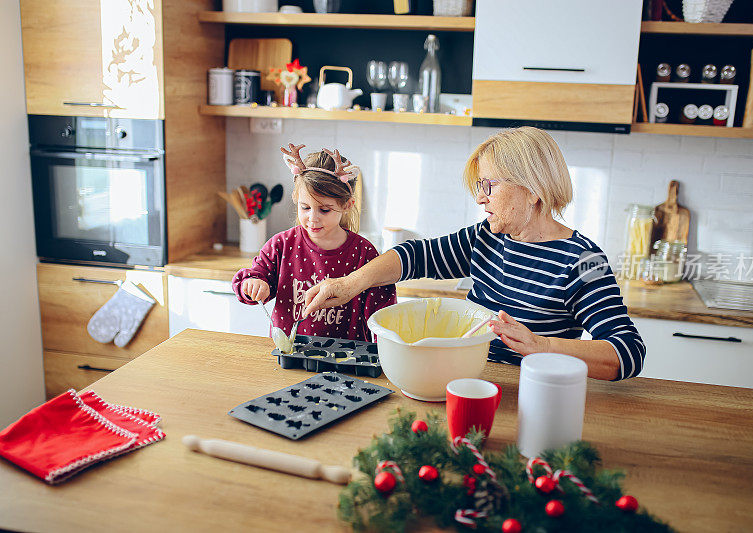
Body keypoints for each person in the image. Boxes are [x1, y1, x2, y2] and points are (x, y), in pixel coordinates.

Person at [302, 127, 644, 381]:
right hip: (467, 379)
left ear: (532, 189)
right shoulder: (488, 237)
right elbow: (415, 256)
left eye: (488, 186)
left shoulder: (584, 262)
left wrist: (541, 345)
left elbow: (628, 352)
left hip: (531, 390)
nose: (480, 199)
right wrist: (350, 284)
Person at [232, 144, 396, 341]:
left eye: (324, 210)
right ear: (296, 199)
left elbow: (382, 315)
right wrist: (254, 285)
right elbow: (255, 276)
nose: (313, 218)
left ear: (347, 205)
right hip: (291, 357)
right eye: (305, 207)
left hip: (347, 360)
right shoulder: (281, 245)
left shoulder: (364, 253)